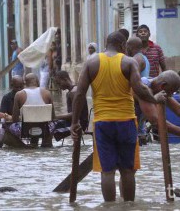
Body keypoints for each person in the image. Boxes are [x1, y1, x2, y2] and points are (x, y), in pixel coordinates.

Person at [70, 31, 166, 202]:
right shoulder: (128, 62)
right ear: (123, 46)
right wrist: (155, 98)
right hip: (126, 121)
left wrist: (75, 122)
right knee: (127, 170)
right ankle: (128, 206)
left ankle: (109, 207)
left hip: (102, 122)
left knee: (107, 171)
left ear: (106, 44)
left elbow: (79, 94)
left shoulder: (91, 62)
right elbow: (140, 89)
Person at [12, 73, 54, 147]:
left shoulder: (19, 94)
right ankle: (47, 143)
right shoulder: (47, 93)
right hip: (45, 130)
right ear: (38, 82)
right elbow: (53, 117)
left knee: (8, 126)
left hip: (25, 131)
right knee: (53, 124)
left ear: (25, 83)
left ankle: (22, 147)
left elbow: (14, 119)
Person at [126, 37, 151, 141]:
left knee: (136, 129)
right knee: (140, 127)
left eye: (127, 46)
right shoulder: (143, 58)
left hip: (137, 97)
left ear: (131, 47)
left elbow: (130, 78)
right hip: (141, 96)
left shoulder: (137, 59)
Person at [53, 70, 89, 141]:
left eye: (59, 83)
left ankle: (47, 146)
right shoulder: (71, 92)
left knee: (50, 126)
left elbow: (75, 114)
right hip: (72, 122)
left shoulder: (74, 92)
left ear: (65, 79)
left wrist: (56, 117)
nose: (59, 87)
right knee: (50, 124)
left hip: (79, 124)